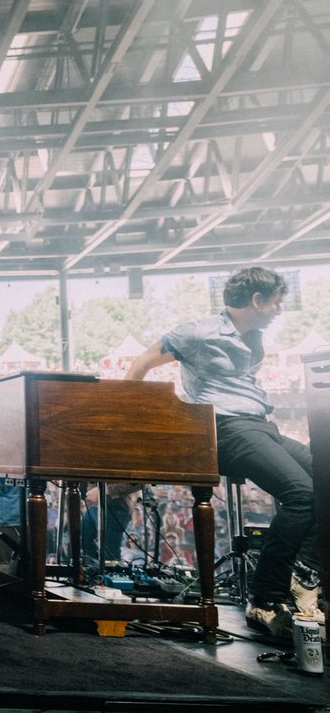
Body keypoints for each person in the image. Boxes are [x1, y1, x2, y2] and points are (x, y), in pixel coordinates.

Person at [125, 266, 320, 637]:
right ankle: (266, 599)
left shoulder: (255, 338)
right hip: (229, 428)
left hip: (262, 425)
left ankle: (305, 572)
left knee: (323, 478)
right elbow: (142, 362)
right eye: (277, 302)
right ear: (257, 300)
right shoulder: (198, 331)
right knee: (302, 494)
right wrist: (132, 419)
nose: (280, 309)